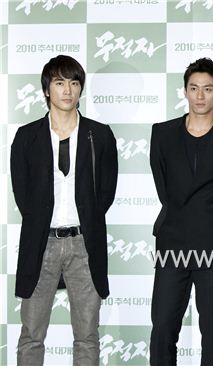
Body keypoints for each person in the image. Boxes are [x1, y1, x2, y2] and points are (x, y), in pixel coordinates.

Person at [11, 54, 118, 365]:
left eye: (74, 82)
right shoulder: (27, 136)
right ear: (47, 90)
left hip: (85, 243)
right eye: (59, 83)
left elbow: (106, 193)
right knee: (32, 333)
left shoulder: (99, 134)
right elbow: (23, 194)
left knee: (87, 335)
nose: (68, 90)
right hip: (40, 242)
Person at [149, 57, 213, 366]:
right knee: (164, 327)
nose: (200, 96)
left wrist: (211, 215)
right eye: (194, 88)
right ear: (185, 91)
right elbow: (163, 186)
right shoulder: (162, 133)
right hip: (172, 241)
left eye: (208, 89)